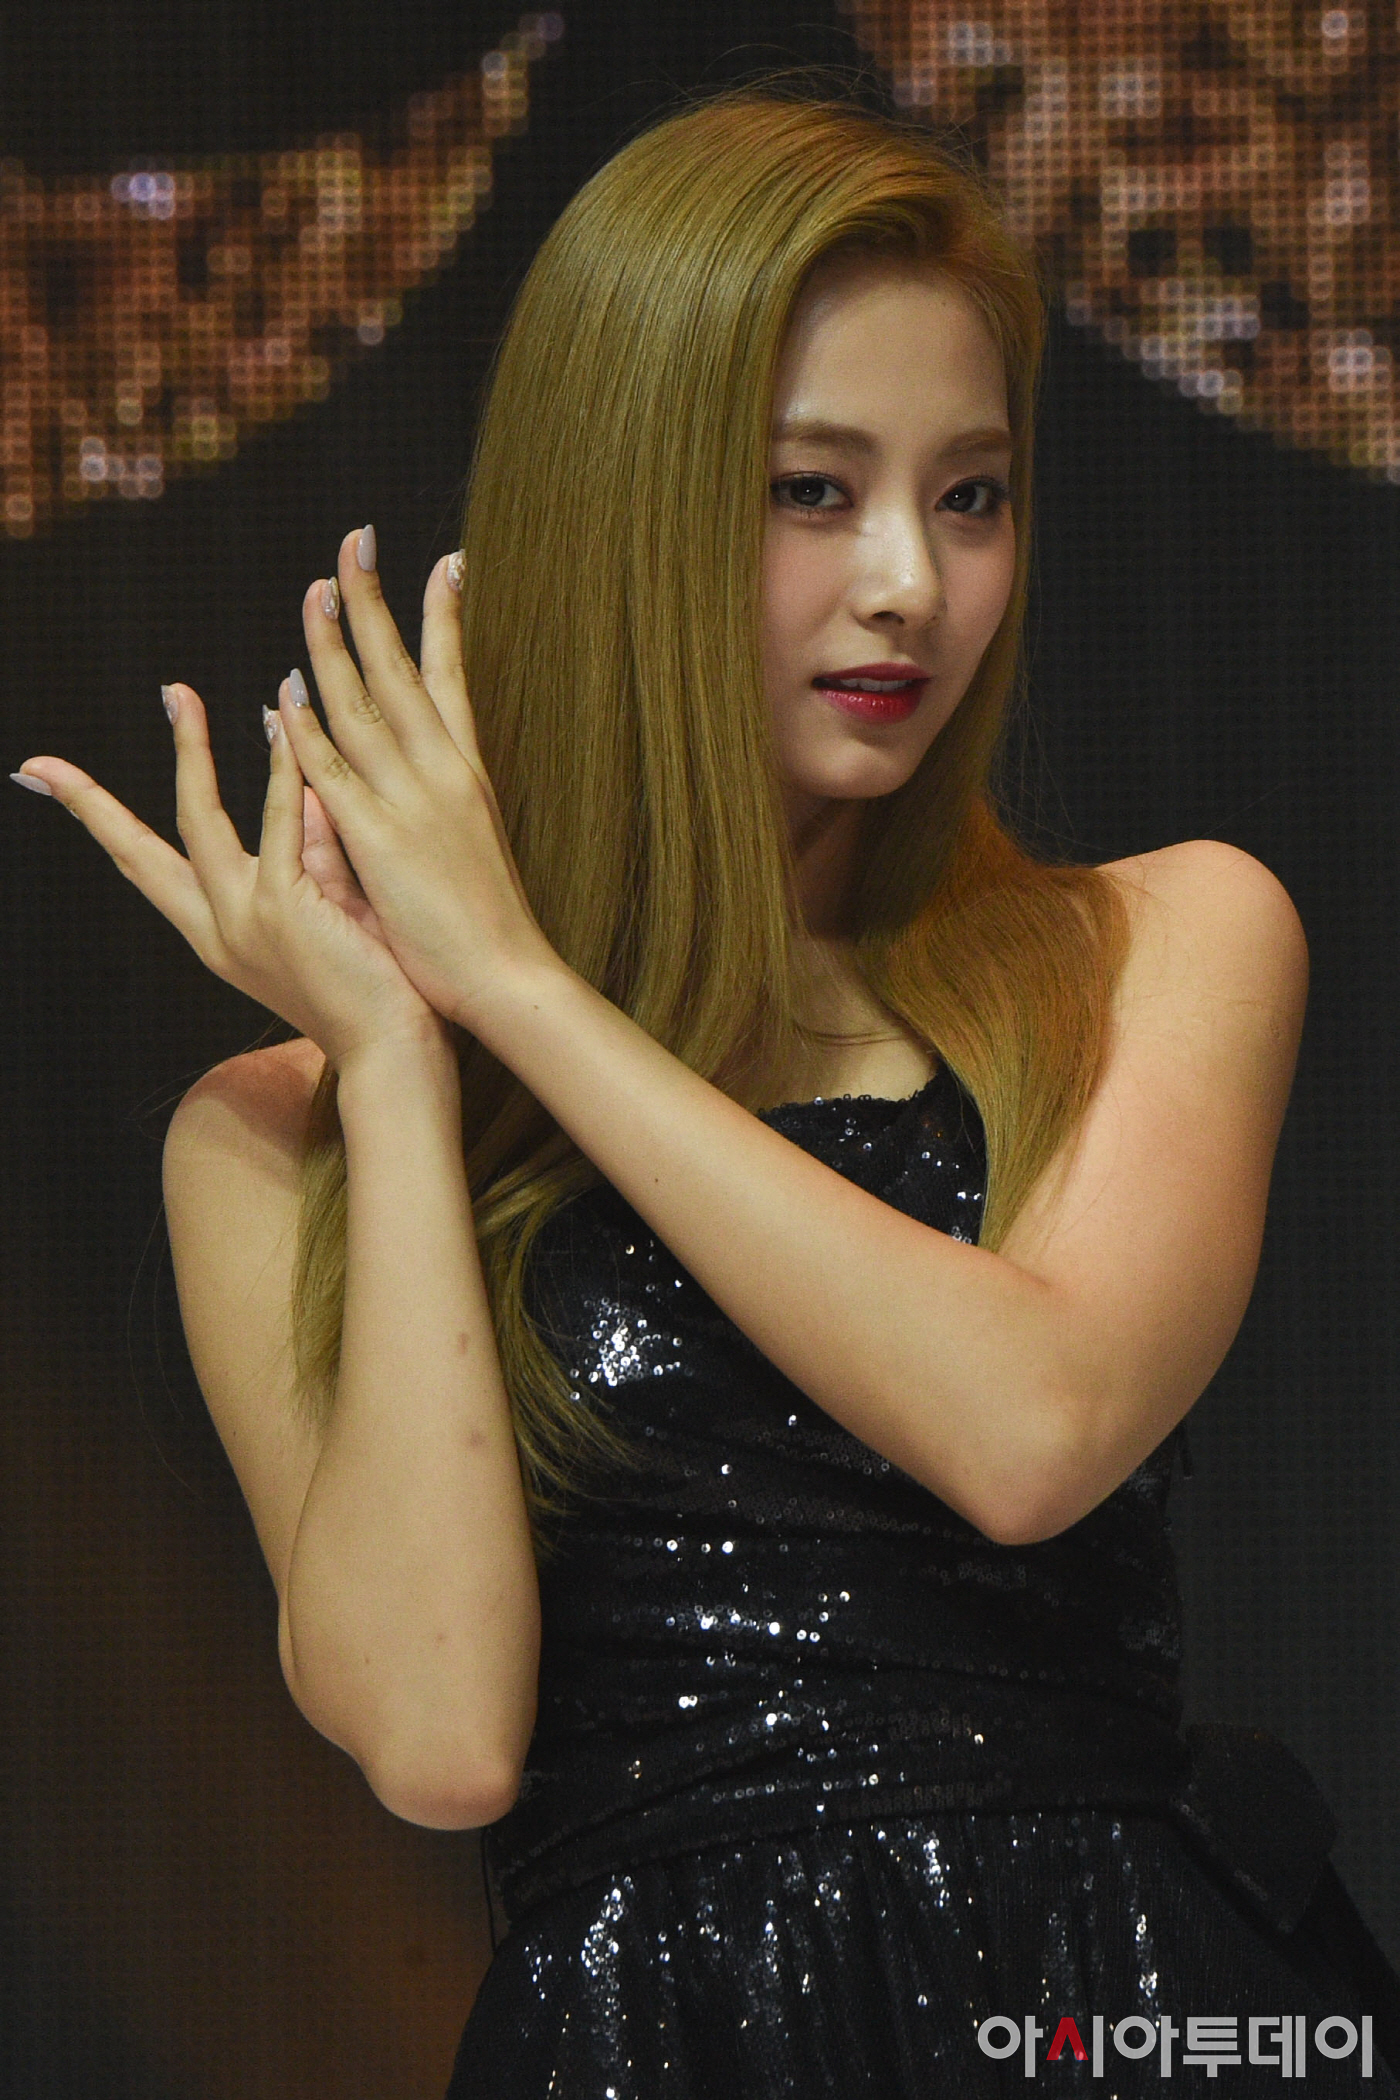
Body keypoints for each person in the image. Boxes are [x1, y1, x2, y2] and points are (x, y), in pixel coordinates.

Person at [11, 88, 1399, 2096]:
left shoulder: (1160, 940)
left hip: (1105, 2005)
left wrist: (522, 990)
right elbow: (439, 1736)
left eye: (973, 495)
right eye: (813, 491)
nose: (910, 582)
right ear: (624, 508)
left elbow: (1030, 1430)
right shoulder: (274, 1133)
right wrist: (399, 1064)